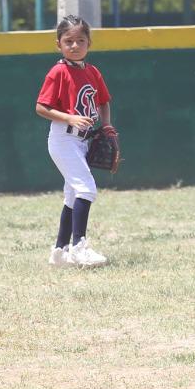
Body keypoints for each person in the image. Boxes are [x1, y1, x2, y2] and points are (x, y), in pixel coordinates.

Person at [34, 15, 113, 268]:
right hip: (63, 139)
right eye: (68, 41)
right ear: (59, 44)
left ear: (89, 43)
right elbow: (41, 107)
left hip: (83, 141)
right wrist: (70, 117)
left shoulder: (93, 71)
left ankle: (59, 252)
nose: (75, 46)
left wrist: (107, 125)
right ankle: (79, 247)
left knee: (72, 196)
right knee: (87, 189)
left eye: (80, 40)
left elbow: (103, 101)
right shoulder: (59, 71)